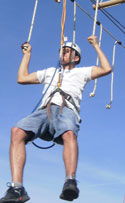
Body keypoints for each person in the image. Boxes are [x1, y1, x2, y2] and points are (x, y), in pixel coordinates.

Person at [0, 35, 112, 203]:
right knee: (17, 131)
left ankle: (70, 181)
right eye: (61, 51)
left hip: (66, 109)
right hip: (44, 110)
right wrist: (27, 55)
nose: (63, 54)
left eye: (67, 52)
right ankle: (17, 188)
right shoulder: (50, 73)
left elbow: (106, 68)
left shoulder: (81, 72)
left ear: (76, 57)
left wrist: (96, 45)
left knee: (69, 133)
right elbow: (22, 78)